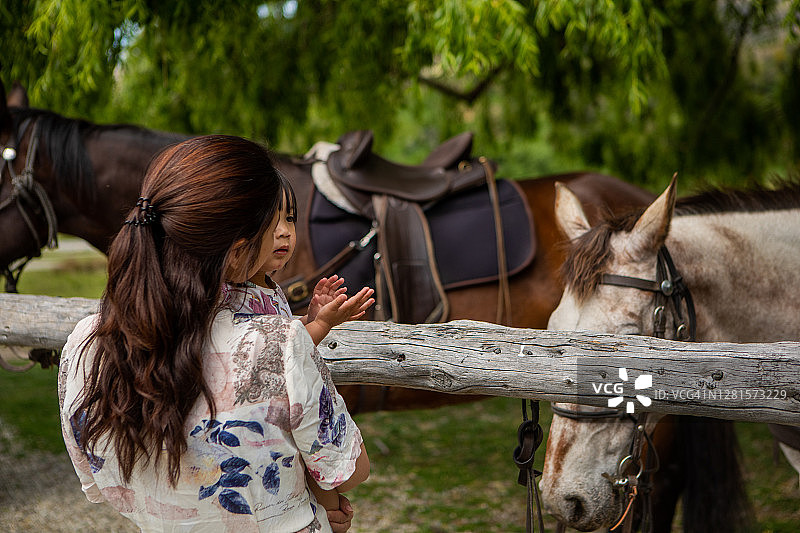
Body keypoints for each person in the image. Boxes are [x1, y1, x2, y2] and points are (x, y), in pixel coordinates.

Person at [58, 135, 371, 533]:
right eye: (270, 222)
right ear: (238, 252)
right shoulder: (280, 345)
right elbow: (347, 470)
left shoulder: (85, 344)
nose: (284, 233)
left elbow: (99, 478)